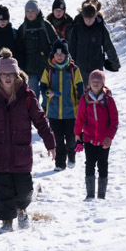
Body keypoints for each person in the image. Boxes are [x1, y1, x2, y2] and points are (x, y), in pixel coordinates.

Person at [0, 49, 56, 233]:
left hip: (21, 153)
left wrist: (50, 143)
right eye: (4, 74)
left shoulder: (27, 96)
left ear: (17, 75)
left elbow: (40, 121)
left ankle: (21, 210)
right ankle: (6, 223)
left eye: (11, 74)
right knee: (1, 190)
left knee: (24, 189)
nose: (8, 78)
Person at [39, 39, 84, 171]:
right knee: (58, 140)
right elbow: (43, 86)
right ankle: (60, 164)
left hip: (71, 112)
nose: (59, 56)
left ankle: (71, 156)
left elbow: (80, 89)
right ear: (53, 54)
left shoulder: (73, 70)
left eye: (62, 54)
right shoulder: (48, 70)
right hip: (54, 112)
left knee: (70, 138)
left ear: (66, 55)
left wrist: (81, 107)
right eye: (57, 54)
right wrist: (48, 93)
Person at [74, 70, 119, 200]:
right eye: (93, 81)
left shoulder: (108, 100)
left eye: (98, 81)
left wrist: (109, 137)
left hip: (104, 140)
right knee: (89, 164)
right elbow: (80, 118)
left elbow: (114, 121)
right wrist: (77, 134)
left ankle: (101, 195)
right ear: (89, 83)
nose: (95, 83)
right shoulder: (85, 99)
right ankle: (90, 194)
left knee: (103, 165)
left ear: (103, 83)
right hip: (89, 138)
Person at [68, 0, 120, 81]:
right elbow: (71, 48)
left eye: (91, 19)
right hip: (79, 69)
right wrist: (70, 65)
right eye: (86, 19)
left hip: (96, 69)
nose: (88, 21)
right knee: (81, 89)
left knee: (96, 88)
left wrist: (115, 64)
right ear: (82, 17)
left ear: (95, 16)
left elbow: (108, 46)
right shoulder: (77, 28)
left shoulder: (100, 28)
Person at [17, 0, 59, 105]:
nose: (30, 14)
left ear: (37, 11)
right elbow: (19, 49)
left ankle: (46, 113)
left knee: (47, 96)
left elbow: (56, 42)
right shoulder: (23, 28)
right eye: (27, 11)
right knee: (33, 97)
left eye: (32, 11)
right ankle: (35, 114)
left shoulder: (46, 25)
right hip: (30, 70)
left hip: (46, 68)